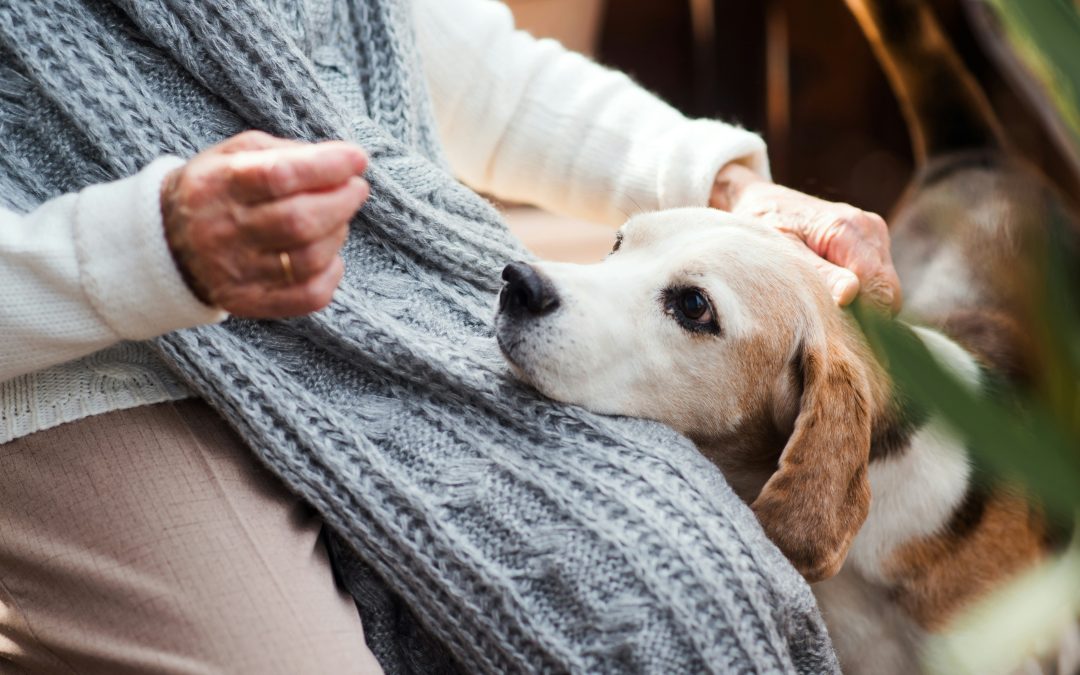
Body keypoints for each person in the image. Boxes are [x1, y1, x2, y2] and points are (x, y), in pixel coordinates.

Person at [0, 0, 899, 672]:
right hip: (90, 368)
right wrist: (145, 250)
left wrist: (725, 188)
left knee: (690, 588)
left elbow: (481, 78)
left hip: (398, 309)